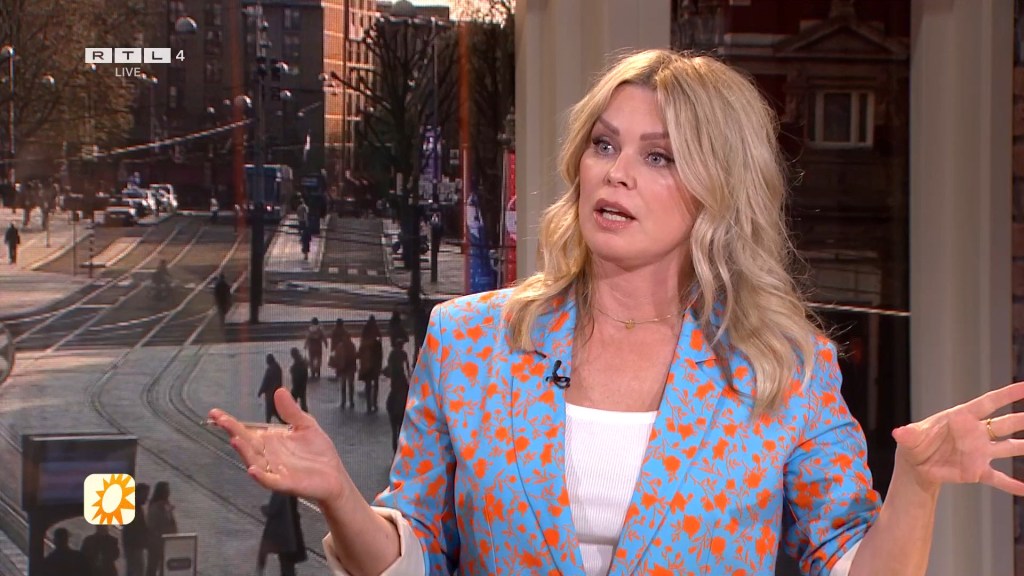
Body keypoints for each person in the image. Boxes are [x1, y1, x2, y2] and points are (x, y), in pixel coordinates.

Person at [208, 49, 1024, 576]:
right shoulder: (471, 340)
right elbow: (415, 547)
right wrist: (340, 496)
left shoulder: (786, 366)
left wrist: (917, 486)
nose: (616, 173)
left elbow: (848, 565)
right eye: (605, 145)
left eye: (657, 156)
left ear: (717, 190)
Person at [257, 491, 308, 576]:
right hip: (292, 535)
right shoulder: (291, 490)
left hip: (283, 535)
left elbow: (273, 509)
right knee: (288, 565)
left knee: (286, 565)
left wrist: (264, 509)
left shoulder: (280, 490)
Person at [146, 481, 177, 576]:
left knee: (165, 567)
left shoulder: (166, 505)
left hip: (166, 543)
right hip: (156, 543)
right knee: (152, 567)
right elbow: (152, 526)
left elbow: (171, 522)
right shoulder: (155, 507)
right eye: (166, 491)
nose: (168, 493)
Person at [384, 340, 410, 452]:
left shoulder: (393, 354)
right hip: (401, 384)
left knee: (394, 429)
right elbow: (407, 368)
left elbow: (389, 367)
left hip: (395, 384)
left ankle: (395, 447)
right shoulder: (403, 354)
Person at [123, 482, 150, 576]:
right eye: (145, 495)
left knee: (135, 569)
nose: (146, 499)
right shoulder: (133, 508)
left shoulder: (137, 508)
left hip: (135, 545)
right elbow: (134, 528)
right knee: (136, 570)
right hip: (134, 546)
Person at [329, 319, 358, 408]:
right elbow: (354, 356)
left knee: (344, 385)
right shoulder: (352, 345)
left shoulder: (340, 346)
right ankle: (350, 401)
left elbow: (337, 357)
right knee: (349, 385)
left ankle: (344, 401)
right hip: (350, 367)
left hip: (344, 368)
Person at [357, 315, 383, 413]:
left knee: (368, 385)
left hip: (367, 366)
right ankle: (374, 403)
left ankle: (369, 405)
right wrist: (379, 366)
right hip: (375, 367)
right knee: (375, 385)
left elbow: (360, 355)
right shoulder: (377, 344)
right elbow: (380, 356)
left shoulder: (364, 344)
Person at [259, 354, 284, 423]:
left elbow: (265, 382)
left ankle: (267, 426)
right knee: (278, 413)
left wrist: (260, 392)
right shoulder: (278, 367)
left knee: (269, 414)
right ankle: (286, 425)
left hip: (270, 395)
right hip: (277, 394)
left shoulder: (269, 370)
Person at [289, 347, 309, 412]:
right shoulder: (301, 360)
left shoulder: (299, 361)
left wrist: (292, 370)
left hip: (298, 385)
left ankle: (294, 413)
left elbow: (298, 372)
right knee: (302, 402)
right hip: (302, 385)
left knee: (292, 400)